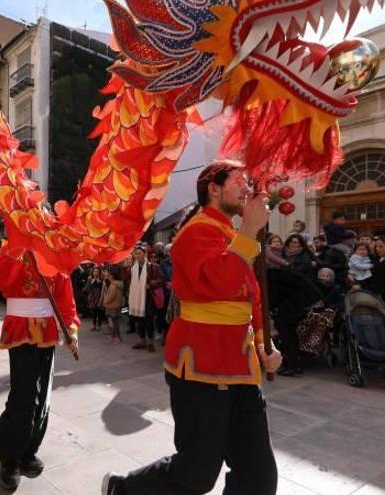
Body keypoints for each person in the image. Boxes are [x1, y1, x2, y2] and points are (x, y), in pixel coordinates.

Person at [103, 160, 281, 495]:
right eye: (239, 182)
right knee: (198, 470)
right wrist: (248, 232)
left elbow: (250, 301)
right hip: (202, 364)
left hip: (242, 366)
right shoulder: (195, 232)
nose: (247, 189)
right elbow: (219, 283)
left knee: (258, 474)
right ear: (213, 189)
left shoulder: (230, 232)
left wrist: (263, 347)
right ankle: (124, 490)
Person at [0, 245, 79, 490]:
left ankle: (29, 449)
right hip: (20, 327)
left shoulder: (52, 247)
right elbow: (1, 280)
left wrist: (70, 326)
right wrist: (17, 250)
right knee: (23, 394)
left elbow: (64, 290)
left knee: (43, 395)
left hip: (47, 330)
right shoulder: (12, 248)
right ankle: (10, 458)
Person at [127, 245, 163, 352]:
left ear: (145, 254)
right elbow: (126, 280)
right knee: (140, 320)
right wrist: (126, 267)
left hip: (148, 298)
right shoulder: (132, 268)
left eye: (140, 253)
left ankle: (151, 342)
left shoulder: (153, 267)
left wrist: (151, 284)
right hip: (137, 298)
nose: (138, 255)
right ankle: (142, 341)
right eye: (136, 253)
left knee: (149, 321)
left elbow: (161, 280)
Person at [103, 266, 125, 343]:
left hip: (112, 305)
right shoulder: (119, 284)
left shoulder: (113, 285)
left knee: (114, 322)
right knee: (115, 321)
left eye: (109, 275)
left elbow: (111, 296)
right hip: (117, 305)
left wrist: (105, 301)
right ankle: (115, 336)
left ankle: (116, 336)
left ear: (112, 276)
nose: (108, 277)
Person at [84, 266, 105, 331]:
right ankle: (94, 325)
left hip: (99, 297)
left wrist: (100, 283)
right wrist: (90, 283)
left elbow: (103, 289)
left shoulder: (101, 279)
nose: (96, 273)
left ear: (99, 272)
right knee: (93, 312)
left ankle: (99, 325)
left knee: (99, 312)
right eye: (94, 271)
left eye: (97, 272)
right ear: (92, 273)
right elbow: (86, 289)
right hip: (92, 297)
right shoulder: (90, 279)